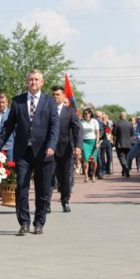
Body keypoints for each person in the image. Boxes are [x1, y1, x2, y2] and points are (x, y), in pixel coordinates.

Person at [0, 70, 59, 235]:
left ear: (42, 82)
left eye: (36, 79)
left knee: (42, 190)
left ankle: (39, 222)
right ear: (26, 81)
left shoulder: (50, 102)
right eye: (30, 79)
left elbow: (54, 126)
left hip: (44, 152)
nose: (33, 82)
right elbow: (8, 126)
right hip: (23, 152)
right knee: (21, 188)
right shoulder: (18, 101)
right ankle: (24, 222)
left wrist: (52, 145)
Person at [49, 85, 82, 213]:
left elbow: (77, 130)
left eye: (58, 94)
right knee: (48, 177)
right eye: (54, 95)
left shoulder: (70, 112)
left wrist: (78, 147)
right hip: (49, 150)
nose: (55, 97)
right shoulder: (47, 110)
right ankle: (46, 203)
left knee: (65, 178)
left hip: (65, 149)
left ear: (63, 96)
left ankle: (65, 201)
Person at [80, 107, 100, 183]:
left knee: (93, 160)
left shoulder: (95, 121)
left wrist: (97, 142)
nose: (87, 115)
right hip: (84, 142)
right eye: (85, 113)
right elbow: (80, 133)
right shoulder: (81, 122)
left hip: (93, 141)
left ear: (91, 114)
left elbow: (97, 133)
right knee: (85, 160)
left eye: (88, 113)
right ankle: (86, 175)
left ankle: (93, 175)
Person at [112, 112, 134, 177]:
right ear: (125, 116)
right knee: (127, 157)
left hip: (119, 143)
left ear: (119, 116)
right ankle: (125, 169)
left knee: (121, 157)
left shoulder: (117, 123)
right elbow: (132, 133)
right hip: (128, 143)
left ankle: (125, 168)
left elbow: (114, 133)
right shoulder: (130, 123)